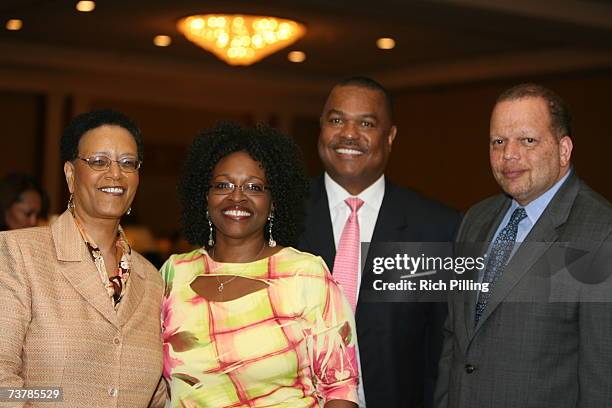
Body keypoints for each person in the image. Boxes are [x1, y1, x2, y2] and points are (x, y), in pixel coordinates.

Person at [434, 84, 612, 407]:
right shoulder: (475, 219)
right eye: (498, 142)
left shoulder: (600, 232)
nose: (509, 155)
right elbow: (455, 343)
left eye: (527, 140)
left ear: (563, 150)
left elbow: (602, 378)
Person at [161, 122, 359, 407]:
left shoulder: (306, 275)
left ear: (274, 202)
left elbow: (340, 389)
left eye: (254, 186)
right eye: (223, 185)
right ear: (205, 196)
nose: (237, 196)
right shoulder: (174, 273)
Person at [298, 77, 461, 407]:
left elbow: (445, 350)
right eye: (336, 120)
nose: (348, 134)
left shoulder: (435, 228)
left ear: (390, 137)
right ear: (321, 128)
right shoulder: (282, 218)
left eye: (366, 123)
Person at [0, 110, 166, 407]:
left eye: (128, 163)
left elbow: (158, 396)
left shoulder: (152, 280)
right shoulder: (18, 254)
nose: (115, 174)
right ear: (71, 174)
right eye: (99, 161)